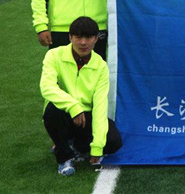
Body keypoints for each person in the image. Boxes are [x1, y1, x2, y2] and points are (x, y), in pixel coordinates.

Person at [40, 16, 123, 176]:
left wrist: (97, 147)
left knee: (113, 141)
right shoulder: (54, 55)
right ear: (70, 37)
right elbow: (47, 87)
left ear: (96, 39)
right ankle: (64, 157)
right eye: (78, 37)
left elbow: (100, 106)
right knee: (52, 111)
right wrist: (73, 106)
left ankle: (76, 145)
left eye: (88, 37)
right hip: (63, 113)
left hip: (86, 117)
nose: (83, 42)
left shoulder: (101, 66)